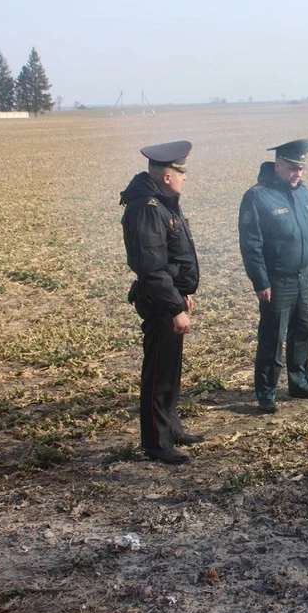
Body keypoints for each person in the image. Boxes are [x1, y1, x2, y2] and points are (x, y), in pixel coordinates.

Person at [120, 141, 203, 465]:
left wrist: (182, 293)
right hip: (158, 303)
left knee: (170, 370)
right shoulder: (147, 208)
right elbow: (152, 267)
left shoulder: (164, 202)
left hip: (169, 297)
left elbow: (172, 257)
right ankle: (156, 442)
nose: (184, 179)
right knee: (158, 373)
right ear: (167, 176)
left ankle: (172, 429)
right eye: (181, 173)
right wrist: (173, 308)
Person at [238, 139, 308, 413]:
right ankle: (266, 393)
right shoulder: (257, 196)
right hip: (277, 280)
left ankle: (299, 383)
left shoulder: (304, 194)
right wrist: (260, 281)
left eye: (301, 168)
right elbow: (250, 243)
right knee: (272, 336)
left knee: (304, 331)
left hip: (303, 276)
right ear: (278, 165)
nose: (297, 173)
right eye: (292, 167)